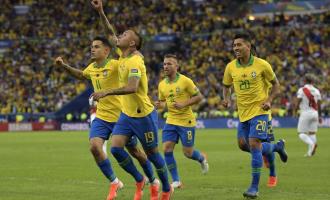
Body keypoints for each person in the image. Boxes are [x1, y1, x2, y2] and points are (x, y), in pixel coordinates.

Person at [54, 36, 157, 200]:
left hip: (121, 117)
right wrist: (64, 66)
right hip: (102, 117)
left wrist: (137, 57)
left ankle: (152, 180)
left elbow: (132, 62)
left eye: (96, 46)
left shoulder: (116, 65)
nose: (92, 49)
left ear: (107, 51)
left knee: (136, 152)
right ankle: (117, 181)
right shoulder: (92, 68)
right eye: (91, 46)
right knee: (95, 147)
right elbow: (82, 75)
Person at [91, 1, 171, 199]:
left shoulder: (136, 61)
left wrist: (106, 92)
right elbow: (109, 31)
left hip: (144, 115)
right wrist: (101, 11)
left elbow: (132, 87)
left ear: (133, 43)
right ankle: (139, 179)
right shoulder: (122, 54)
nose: (120, 36)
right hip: (126, 116)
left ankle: (166, 188)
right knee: (116, 149)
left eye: (125, 34)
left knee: (152, 155)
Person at [222, 33, 288, 198]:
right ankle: (276, 147)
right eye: (234, 45)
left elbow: (277, 86)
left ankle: (255, 186)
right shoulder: (230, 67)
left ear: (248, 46)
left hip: (261, 111)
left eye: (239, 45)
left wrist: (270, 100)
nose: (236, 48)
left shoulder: (262, 65)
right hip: (243, 114)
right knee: (244, 145)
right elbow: (226, 85)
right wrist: (226, 99)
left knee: (254, 144)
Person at [155, 54, 209, 188]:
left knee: (188, 153)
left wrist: (184, 103)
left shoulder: (186, 81)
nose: (166, 66)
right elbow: (162, 102)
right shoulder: (162, 85)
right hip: (171, 120)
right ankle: (176, 180)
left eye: (169, 64)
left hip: (186, 122)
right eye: (164, 64)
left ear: (176, 66)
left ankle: (201, 158)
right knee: (167, 148)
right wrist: (159, 105)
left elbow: (199, 97)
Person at [295, 73, 322, 157]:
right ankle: (310, 153)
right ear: (312, 81)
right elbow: (319, 105)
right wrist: (320, 116)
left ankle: (312, 144)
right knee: (312, 133)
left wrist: (295, 109)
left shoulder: (302, 90)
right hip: (315, 113)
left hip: (305, 113)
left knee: (301, 133)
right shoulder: (317, 91)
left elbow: (299, 100)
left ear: (305, 80)